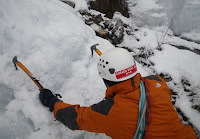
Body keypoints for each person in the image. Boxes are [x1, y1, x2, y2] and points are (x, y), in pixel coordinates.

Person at [39, 47, 197, 139]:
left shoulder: (110, 111)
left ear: (105, 80)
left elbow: (75, 118)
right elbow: (147, 80)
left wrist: (52, 102)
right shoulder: (158, 83)